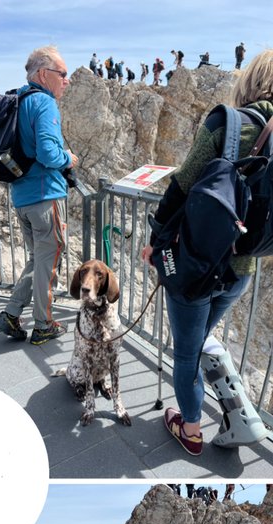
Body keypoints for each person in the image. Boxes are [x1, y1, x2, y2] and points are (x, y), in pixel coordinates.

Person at [143, 52, 273, 454]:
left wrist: (156, 239)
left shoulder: (230, 123)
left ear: (249, 81)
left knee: (186, 350)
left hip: (196, 264)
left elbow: (183, 184)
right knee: (198, 339)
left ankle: (192, 428)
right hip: (244, 266)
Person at [0, 45, 77, 346]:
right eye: (62, 74)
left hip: (22, 197)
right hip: (45, 195)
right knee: (48, 260)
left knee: (38, 258)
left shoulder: (18, 98)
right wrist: (68, 158)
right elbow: (48, 152)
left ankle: (11, 315)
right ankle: (44, 325)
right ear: (44, 74)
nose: (67, 80)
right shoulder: (44, 103)